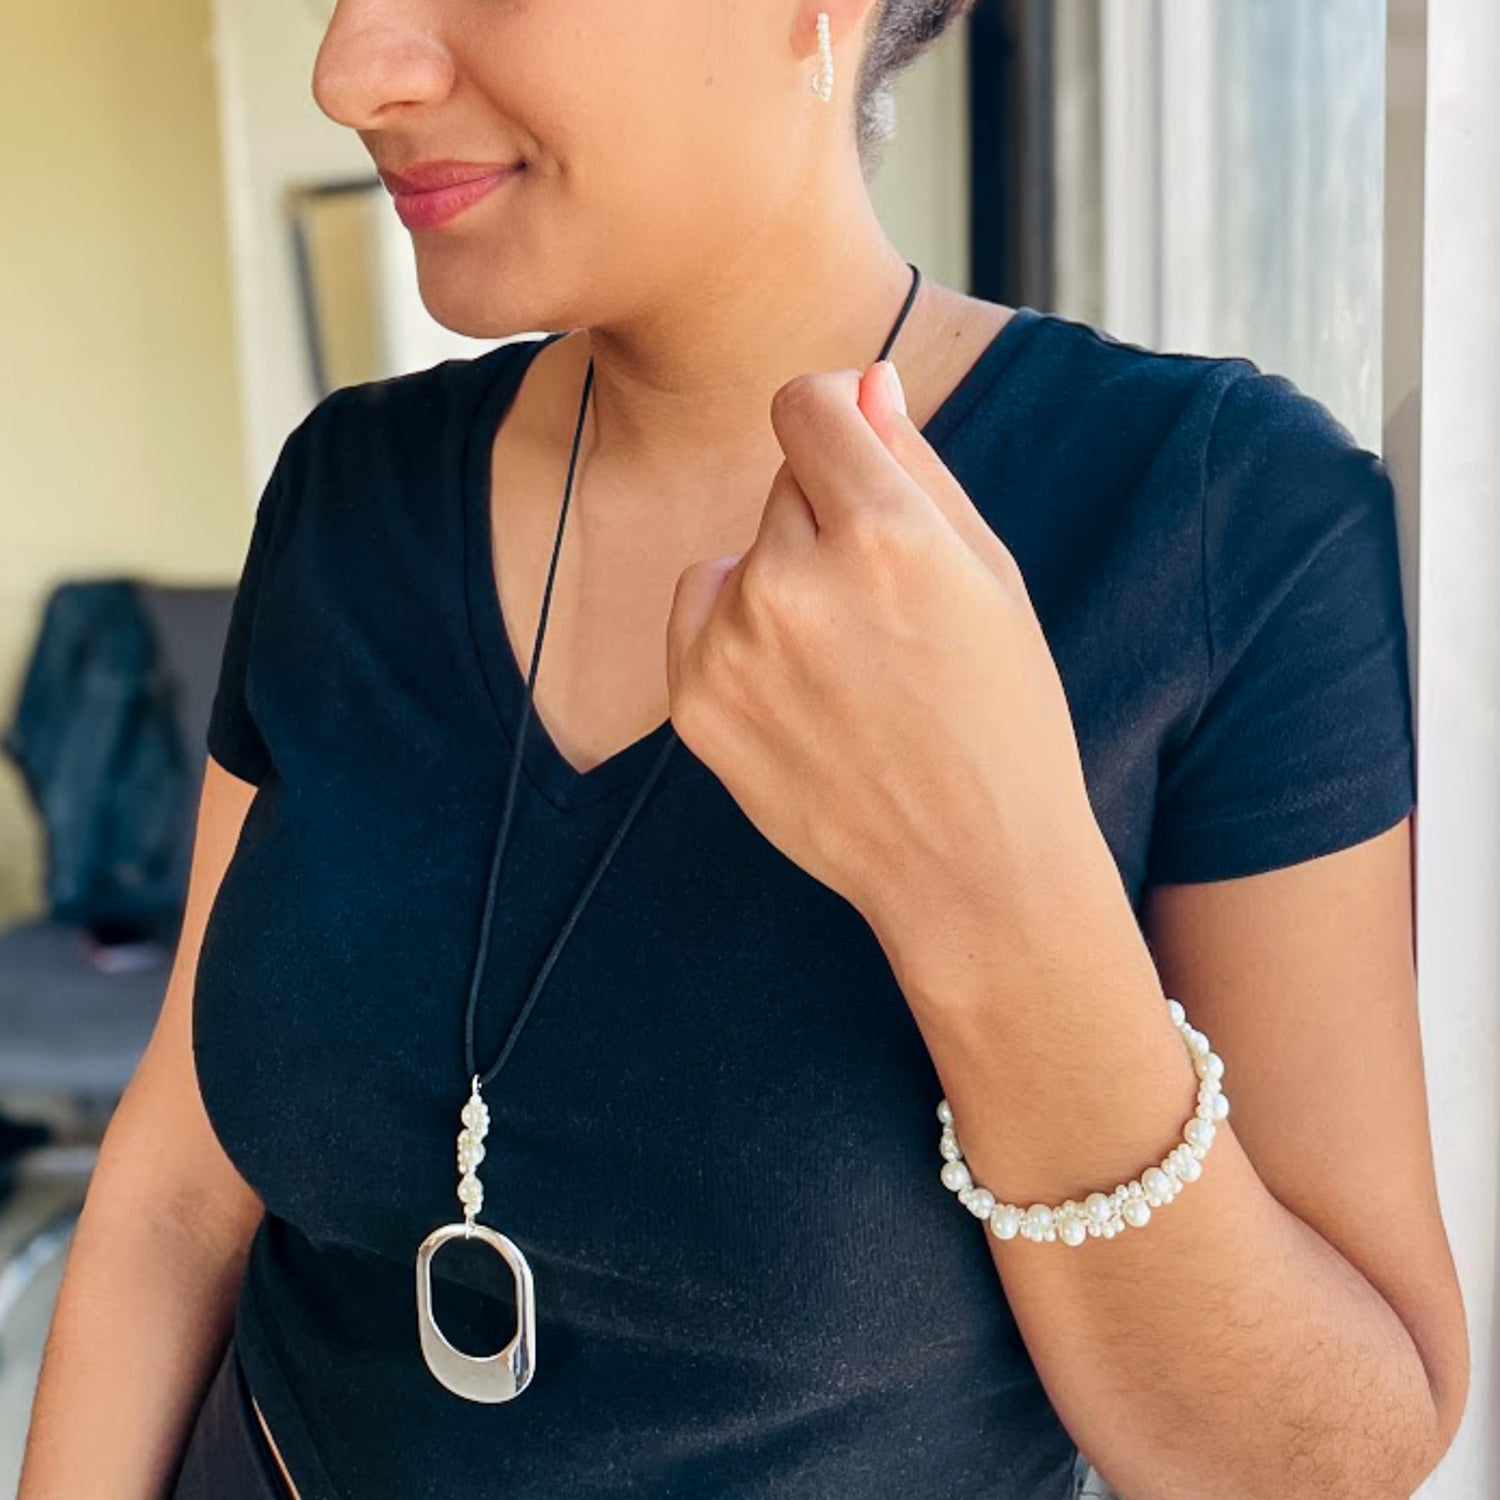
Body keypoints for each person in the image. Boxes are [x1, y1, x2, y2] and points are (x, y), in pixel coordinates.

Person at [18, 1, 1470, 1497]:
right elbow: (179, 1193)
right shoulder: (344, 491)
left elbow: (1319, 1462)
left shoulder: (1220, 525)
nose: (352, 71)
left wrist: (999, 894)